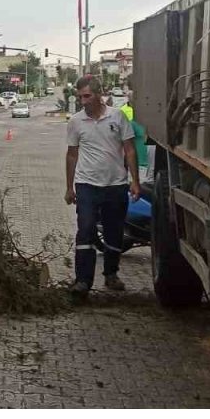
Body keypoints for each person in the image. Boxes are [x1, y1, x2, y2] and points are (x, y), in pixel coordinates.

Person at [64, 75, 140, 296]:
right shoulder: (76, 122)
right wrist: (70, 187)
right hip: (87, 184)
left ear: (99, 95)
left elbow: (130, 150)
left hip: (115, 185)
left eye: (87, 96)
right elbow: (71, 155)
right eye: (80, 97)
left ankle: (111, 274)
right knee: (85, 229)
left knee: (114, 231)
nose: (83, 101)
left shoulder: (117, 118)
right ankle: (82, 281)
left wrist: (134, 181)